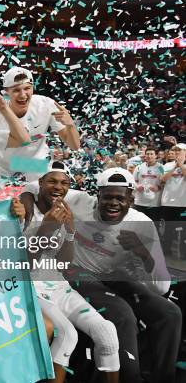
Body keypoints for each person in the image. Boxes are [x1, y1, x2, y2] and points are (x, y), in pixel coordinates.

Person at [65, 168, 180, 383]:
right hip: (79, 270)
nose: (113, 203)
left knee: (170, 313)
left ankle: (162, 377)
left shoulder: (141, 224)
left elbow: (162, 287)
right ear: (97, 196)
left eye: (121, 198)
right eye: (107, 197)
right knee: (123, 314)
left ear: (132, 199)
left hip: (114, 274)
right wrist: (24, 199)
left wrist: (143, 253)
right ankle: (131, 377)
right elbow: (37, 185)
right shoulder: (80, 202)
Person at [23, 161, 120, 383]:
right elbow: (23, 266)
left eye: (64, 183)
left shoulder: (64, 211)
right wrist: (45, 231)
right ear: (40, 183)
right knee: (66, 335)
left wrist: (69, 231)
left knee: (107, 333)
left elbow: (64, 263)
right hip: (30, 288)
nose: (58, 187)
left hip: (59, 287)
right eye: (52, 181)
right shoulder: (24, 211)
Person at [0, 66, 80, 182]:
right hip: (3, 165)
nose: (23, 95)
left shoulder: (46, 105)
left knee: (41, 192)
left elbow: (75, 146)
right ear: (6, 92)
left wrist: (70, 124)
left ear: (33, 88)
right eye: (16, 90)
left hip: (34, 164)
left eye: (27, 88)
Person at [159, 143, 185, 256]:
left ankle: (183, 253)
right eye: (176, 151)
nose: (177, 153)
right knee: (168, 229)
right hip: (167, 202)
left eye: (180, 151)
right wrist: (175, 166)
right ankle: (166, 252)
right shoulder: (168, 165)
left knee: (184, 231)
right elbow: (162, 179)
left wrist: (181, 164)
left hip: (183, 203)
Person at [133, 148, 163, 222]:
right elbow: (133, 181)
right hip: (140, 201)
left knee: (154, 225)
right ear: (145, 155)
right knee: (139, 225)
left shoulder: (161, 168)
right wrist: (137, 186)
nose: (149, 156)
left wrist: (158, 187)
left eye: (151, 154)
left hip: (155, 202)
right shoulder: (139, 167)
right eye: (147, 154)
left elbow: (165, 182)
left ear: (156, 156)